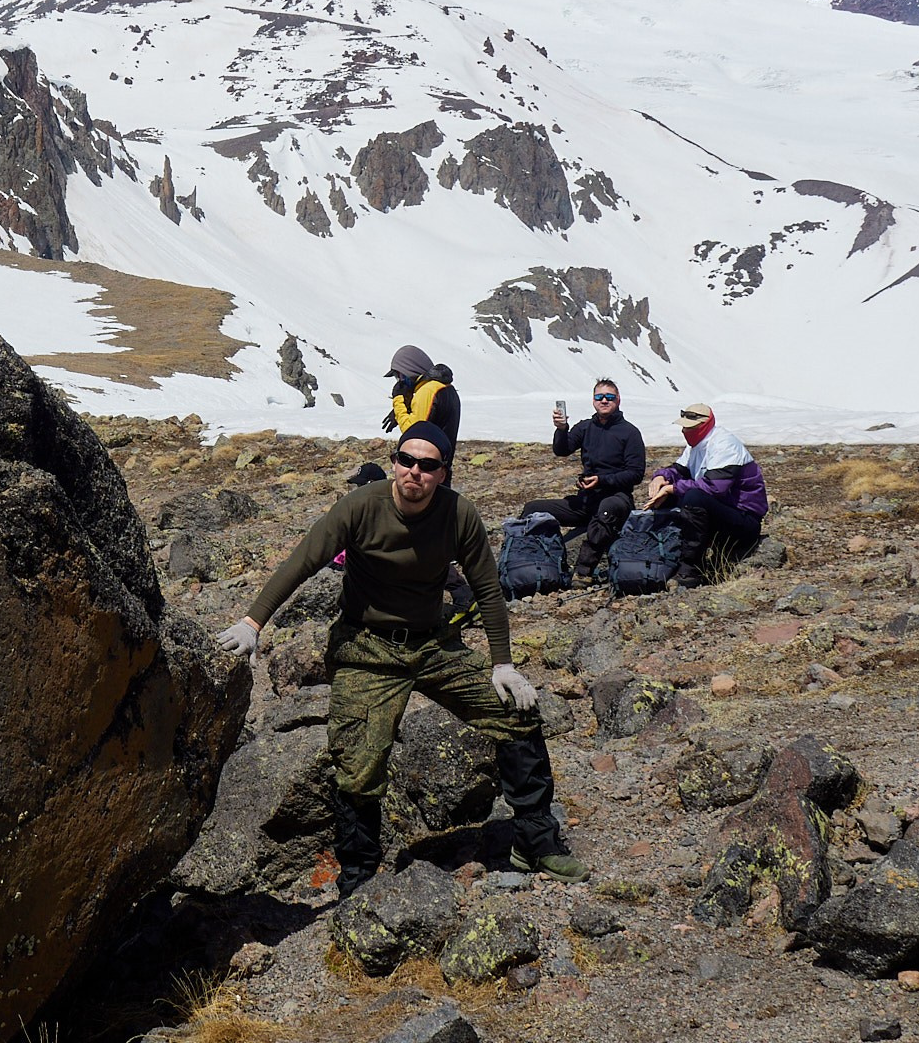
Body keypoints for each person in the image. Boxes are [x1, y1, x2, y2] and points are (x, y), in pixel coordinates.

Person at [217, 422, 587, 895]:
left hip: (432, 643)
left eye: (428, 465)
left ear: (443, 472)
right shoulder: (360, 506)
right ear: (394, 461)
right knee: (358, 761)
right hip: (366, 646)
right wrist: (252, 624)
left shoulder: (459, 515)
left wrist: (502, 664)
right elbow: (302, 562)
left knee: (516, 713)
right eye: (406, 460)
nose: (414, 472)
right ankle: (358, 878)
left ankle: (536, 841)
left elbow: (489, 590)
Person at [523, 378, 647, 582]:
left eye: (609, 397)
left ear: (618, 400)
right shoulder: (586, 427)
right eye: (599, 397)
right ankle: (529, 561)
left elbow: (635, 474)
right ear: (593, 401)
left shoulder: (630, 432)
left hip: (617, 499)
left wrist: (602, 480)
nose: (604, 401)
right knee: (532, 508)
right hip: (586, 500)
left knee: (607, 509)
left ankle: (583, 572)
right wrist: (562, 429)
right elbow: (562, 450)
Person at [640, 403, 768, 586]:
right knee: (670, 496)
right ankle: (663, 557)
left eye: (690, 427)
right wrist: (661, 477)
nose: (685, 431)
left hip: (744, 520)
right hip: (722, 513)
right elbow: (679, 470)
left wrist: (672, 488)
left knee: (693, 498)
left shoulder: (724, 444)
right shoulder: (696, 446)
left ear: (705, 425)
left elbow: (715, 487)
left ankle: (691, 569)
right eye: (684, 427)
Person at [386, 345, 460, 449]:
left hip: (427, 460)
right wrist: (407, 408)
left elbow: (411, 431)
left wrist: (398, 402)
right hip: (439, 457)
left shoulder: (427, 391)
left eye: (399, 375)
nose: (399, 381)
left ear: (408, 370)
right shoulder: (442, 387)